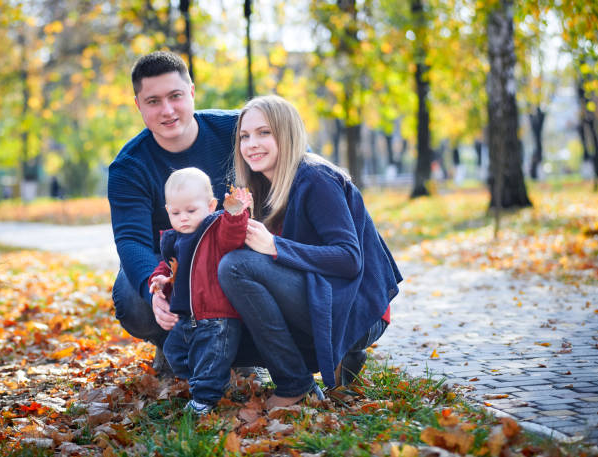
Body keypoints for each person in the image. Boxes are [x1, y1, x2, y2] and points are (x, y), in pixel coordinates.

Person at [217, 95, 403, 410]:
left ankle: (295, 385)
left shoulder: (316, 177)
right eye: (244, 136)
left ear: (286, 134)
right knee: (230, 276)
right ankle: (326, 365)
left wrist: (275, 246)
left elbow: (348, 258)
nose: (251, 144)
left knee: (236, 268)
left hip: (358, 307)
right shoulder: (262, 188)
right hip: (320, 295)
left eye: (264, 133)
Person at [107, 50, 241, 374]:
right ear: (138, 105)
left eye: (175, 96)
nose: (167, 110)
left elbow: (292, 149)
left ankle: (240, 353)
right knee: (131, 297)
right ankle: (169, 343)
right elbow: (131, 240)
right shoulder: (129, 167)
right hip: (170, 263)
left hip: (235, 253)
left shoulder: (236, 131)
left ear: (192, 92)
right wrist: (153, 289)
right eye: (153, 101)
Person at [149, 168, 252, 415]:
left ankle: (205, 399)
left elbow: (233, 238)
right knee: (174, 351)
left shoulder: (215, 229)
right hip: (186, 317)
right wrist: (159, 279)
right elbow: (167, 266)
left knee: (211, 357)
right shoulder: (173, 240)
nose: (183, 217)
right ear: (168, 211)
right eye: (176, 212)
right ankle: (215, 381)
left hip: (217, 315)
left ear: (210, 204)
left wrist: (236, 213)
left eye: (191, 211)